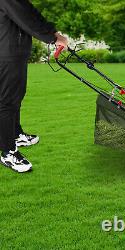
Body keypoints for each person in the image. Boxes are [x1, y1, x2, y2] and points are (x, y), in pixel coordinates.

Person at [0, 0, 68, 173]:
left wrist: (52, 32)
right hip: (6, 52)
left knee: (16, 97)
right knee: (7, 102)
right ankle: (8, 151)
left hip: (13, 51)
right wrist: (53, 37)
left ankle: (16, 134)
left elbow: (29, 11)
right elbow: (25, 17)